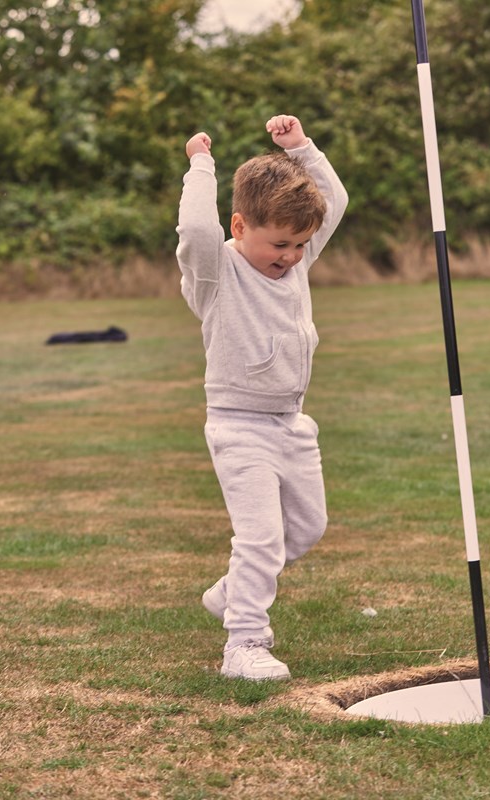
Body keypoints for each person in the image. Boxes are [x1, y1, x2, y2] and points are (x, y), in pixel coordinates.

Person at [177, 115, 348, 680]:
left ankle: (231, 592)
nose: (292, 256)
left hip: (293, 424)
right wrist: (200, 166)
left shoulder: (293, 260)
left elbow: (334, 200)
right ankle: (244, 643)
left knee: (307, 529)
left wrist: (300, 149)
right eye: (280, 244)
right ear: (240, 224)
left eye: (301, 245)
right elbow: (198, 232)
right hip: (238, 425)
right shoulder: (216, 271)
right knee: (260, 537)